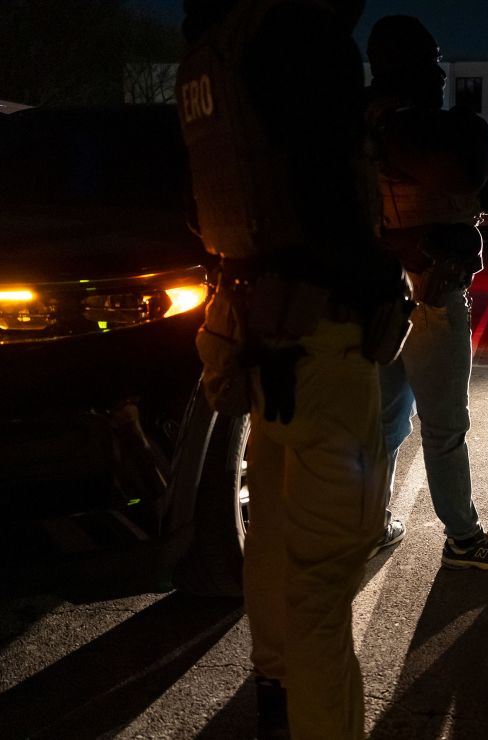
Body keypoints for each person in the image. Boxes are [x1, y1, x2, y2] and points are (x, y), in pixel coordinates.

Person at [177, 0, 409, 735]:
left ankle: (275, 684)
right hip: (323, 329)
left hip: (256, 325)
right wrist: (382, 284)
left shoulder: (214, 47)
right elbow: (324, 187)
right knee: (323, 578)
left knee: (274, 531)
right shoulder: (303, 35)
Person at [365, 16, 488, 570]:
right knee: (444, 426)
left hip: (378, 295)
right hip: (429, 294)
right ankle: (462, 536)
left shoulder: (362, 123)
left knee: (385, 421)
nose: (438, 72)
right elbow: (471, 180)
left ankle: (371, 524)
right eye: (430, 60)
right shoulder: (421, 128)